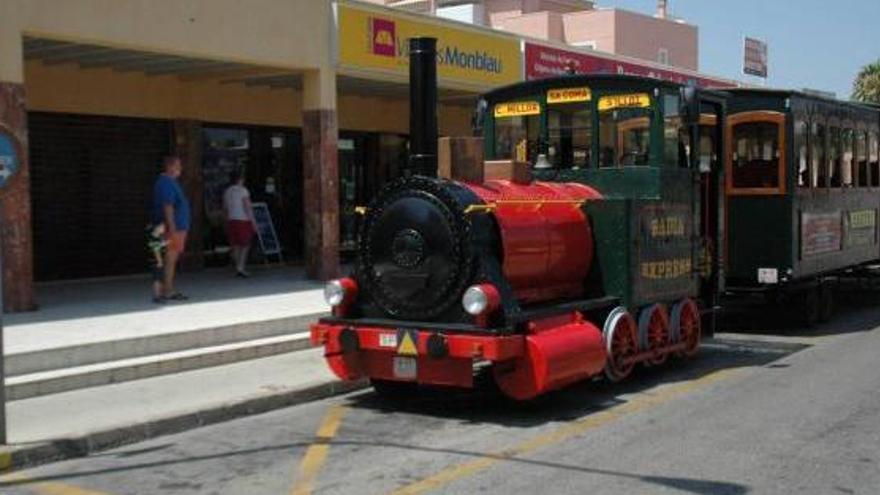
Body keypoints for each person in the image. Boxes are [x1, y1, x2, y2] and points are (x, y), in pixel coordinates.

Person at [152, 156, 191, 302]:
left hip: (177, 227)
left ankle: (168, 288)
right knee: (170, 259)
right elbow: (168, 206)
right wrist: (173, 228)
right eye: (178, 165)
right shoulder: (167, 182)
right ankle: (168, 290)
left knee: (171, 259)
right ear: (170, 167)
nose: (180, 168)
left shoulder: (170, 182)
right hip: (174, 229)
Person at [223, 170, 257, 277]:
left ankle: (238, 266)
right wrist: (253, 221)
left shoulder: (227, 191)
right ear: (240, 179)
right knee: (245, 244)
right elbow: (247, 206)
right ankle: (241, 267)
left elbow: (225, 207)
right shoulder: (243, 191)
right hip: (243, 219)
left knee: (236, 244)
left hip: (231, 219)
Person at [147, 223, 168, 304]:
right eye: (162, 227)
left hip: (157, 262)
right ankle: (157, 296)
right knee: (157, 279)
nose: (164, 229)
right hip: (156, 262)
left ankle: (160, 294)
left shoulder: (156, 237)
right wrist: (160, 261)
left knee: (160, 278)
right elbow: (156, 251)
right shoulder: (154, 238)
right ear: (157, 228)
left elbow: (157, 246)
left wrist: (164, 243)